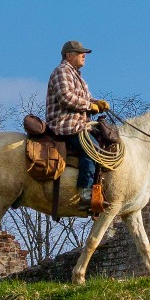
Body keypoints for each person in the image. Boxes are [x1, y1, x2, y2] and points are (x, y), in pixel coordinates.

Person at [45, 40, 109, 210]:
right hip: (65, 125)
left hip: (80, 125)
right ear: (69, 55)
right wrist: (90, 106)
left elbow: (86, 99)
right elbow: (65, 97)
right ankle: (85, 194)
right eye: (80, 53)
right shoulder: (62, 71)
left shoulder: (76, 76)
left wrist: (97, 102)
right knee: (92, 148)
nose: (84, 56)